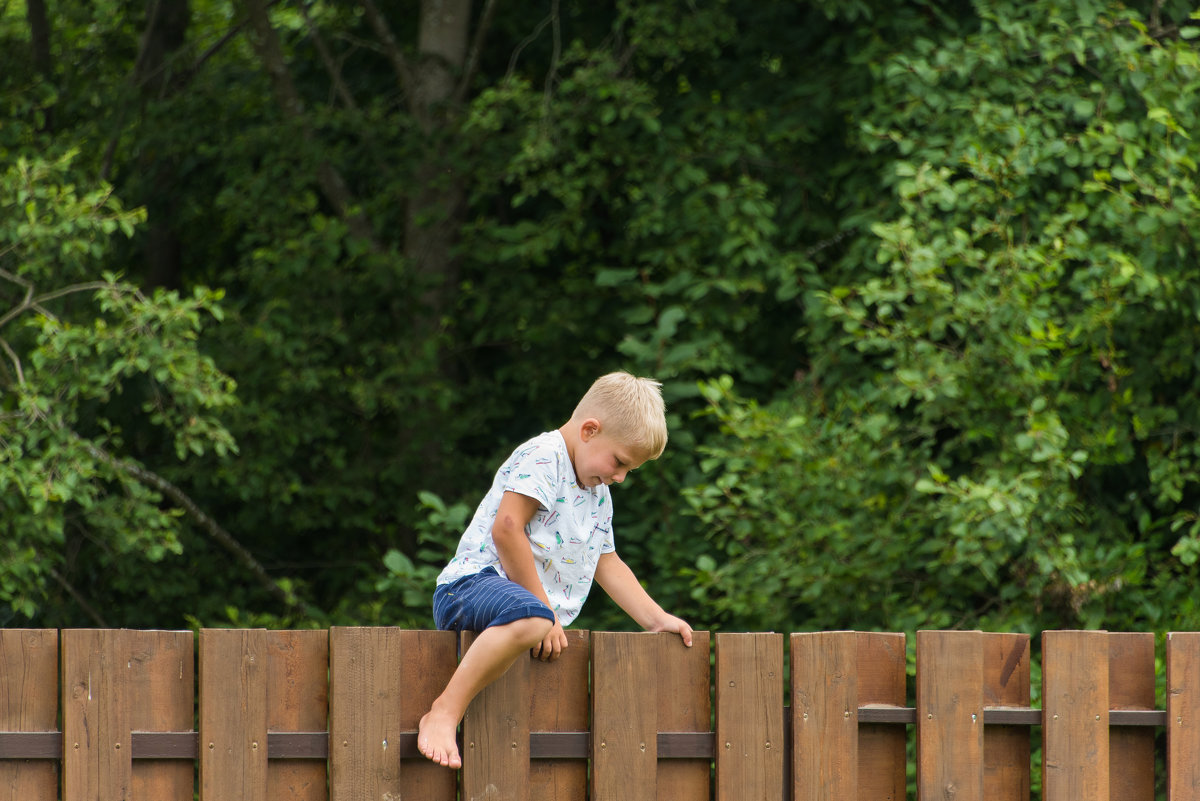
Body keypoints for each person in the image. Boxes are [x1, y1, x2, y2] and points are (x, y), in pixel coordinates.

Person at [417, 371, 694, 769]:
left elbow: (607, 562)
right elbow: (507, 528)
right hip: (469, 585)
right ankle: (442, 713)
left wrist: (656, 619)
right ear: (589, 430)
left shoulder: (597, 495)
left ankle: (530, 619)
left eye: (630, 471)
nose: (620, 477)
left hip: (519, 610)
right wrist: (543, 612)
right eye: (619, 462)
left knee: (533, 617)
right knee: (533, 618)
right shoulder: (545, 456)